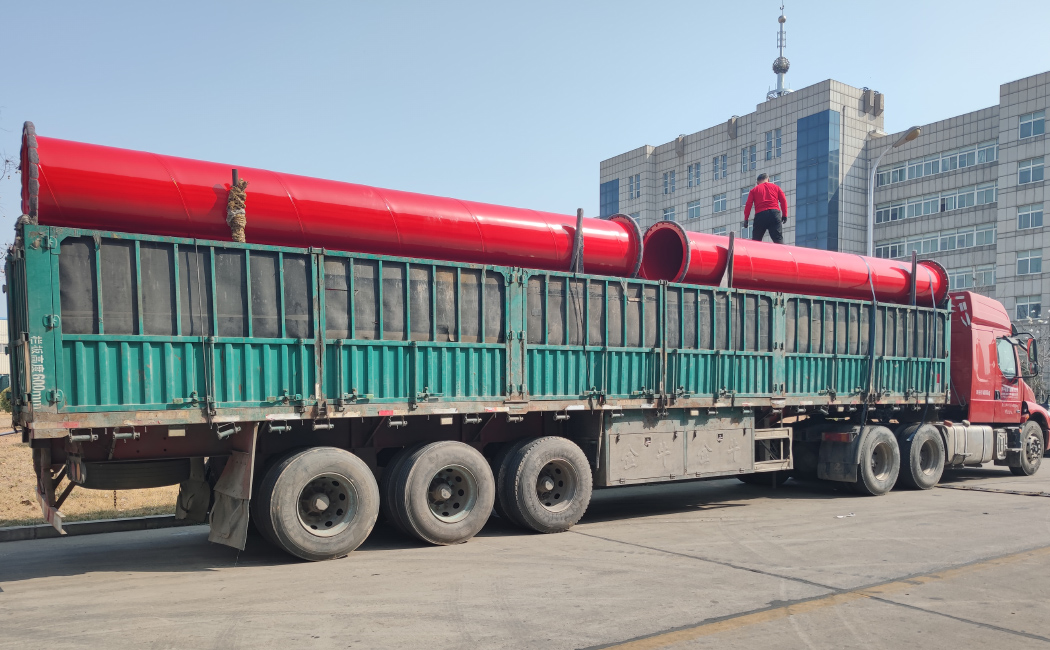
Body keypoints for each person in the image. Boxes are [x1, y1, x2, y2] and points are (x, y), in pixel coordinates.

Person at [742, 173, 788, 244]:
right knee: (778, 240)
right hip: (774, 214)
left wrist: (746, 219)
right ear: (768, 180)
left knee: (756, 241)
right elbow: (783, 200)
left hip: (760, 216)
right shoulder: (776, 187)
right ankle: (783, 251)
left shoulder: (754, 190)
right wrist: (784, 215)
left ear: (757, 183)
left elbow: (748, 205)